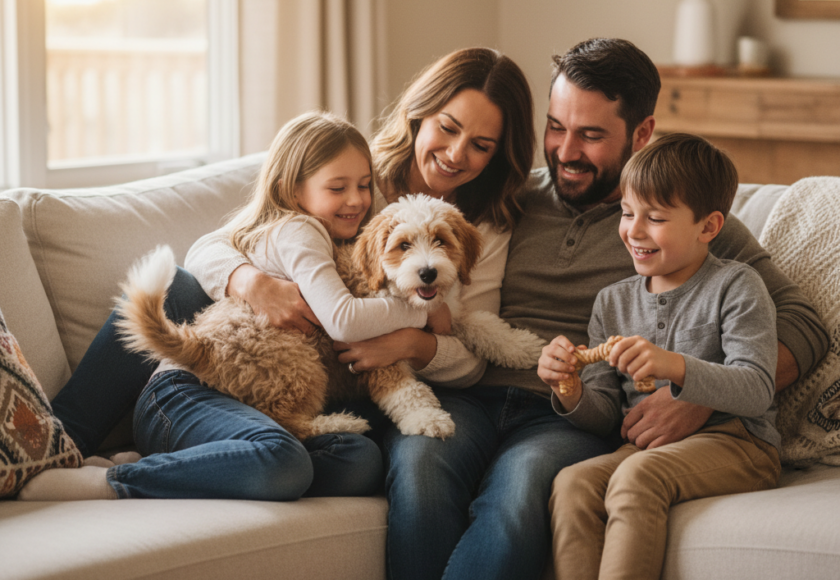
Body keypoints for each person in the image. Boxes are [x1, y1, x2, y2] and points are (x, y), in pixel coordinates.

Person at [189, 39, 828, 580]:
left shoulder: (668, 219)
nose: (566, 150)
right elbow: (267, 229)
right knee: (419, 470)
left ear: (641, 134)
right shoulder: (504, 196)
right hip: (467, 392)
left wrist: (705, 396)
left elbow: (804, 321)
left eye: (591, 135)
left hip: (566, 410)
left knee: (521, 492)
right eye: (556, 127)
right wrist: (246, 277)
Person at [20, 111, 436, 501]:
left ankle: (175, 464)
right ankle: (83, 463)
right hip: (195, 391)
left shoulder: (364, 245)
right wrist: (252, 282)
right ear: (294, 190)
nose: (358, 200)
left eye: (365, 185)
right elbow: (339, 317)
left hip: (256, 407)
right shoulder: (296, 232)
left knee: (359, 461)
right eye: (337, 187)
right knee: (284, 459)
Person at [539, 132, 782, 580]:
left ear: (708, 227)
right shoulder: (611, 303)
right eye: (628, 213)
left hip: (740, 442)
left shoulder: (737, 285)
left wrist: (673, 365)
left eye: (654, 218)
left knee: (636, 479)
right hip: (645, 444)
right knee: (571, 482)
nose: (634, 231)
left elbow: (756, 388)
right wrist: (569, 389)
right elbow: (607, 414)